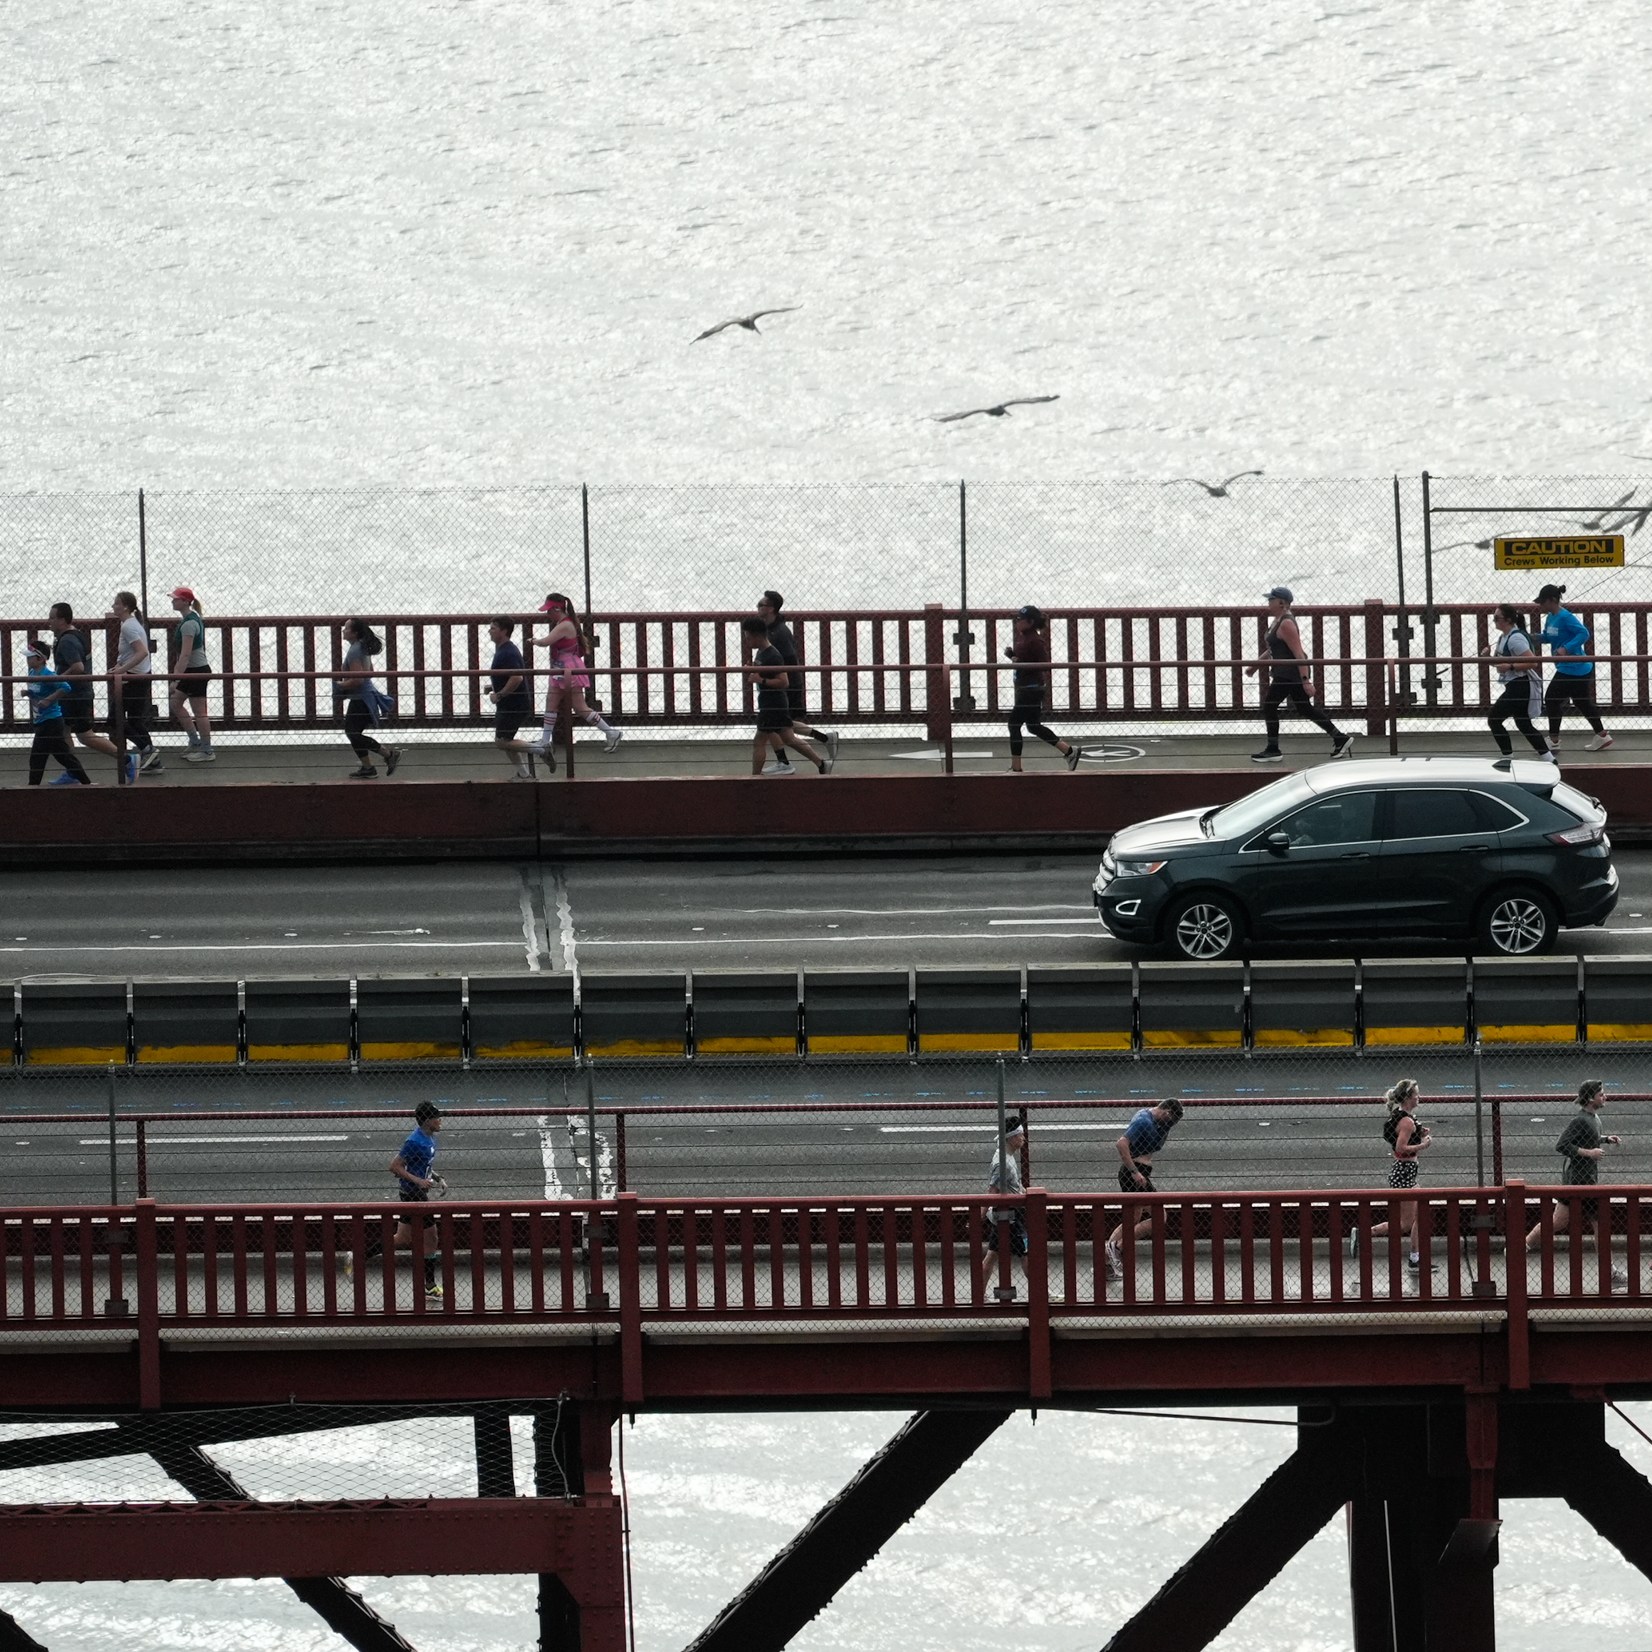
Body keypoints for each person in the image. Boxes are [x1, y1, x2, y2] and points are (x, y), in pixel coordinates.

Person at [1524, 1079, 1627, 1287]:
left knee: (1558, 1221)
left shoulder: (1594, 1118)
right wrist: (1589, 1153)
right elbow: (1561, 1145)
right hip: (1581, 1182)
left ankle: (1521, 1246)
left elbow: (1589, 1138)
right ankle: (1610, 1273)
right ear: (1590, 1098)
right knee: (1601, 1225)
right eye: (1601, 1094)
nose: (1605, 1097)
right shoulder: (1580, 1120)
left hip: (1581, 1180)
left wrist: (1606, 1139)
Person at [346, 1100, 448, 1297]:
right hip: (413, 1194)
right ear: (427, 1121)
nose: (440, 1120)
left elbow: (421, 1164)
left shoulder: (429, 1139)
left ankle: (357, 1258)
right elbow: (395, 1166)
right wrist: (418, 1181)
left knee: (402, 1238)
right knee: (432, 1236)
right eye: (437, 1117)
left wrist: (437, 1177)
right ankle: (430, 1285)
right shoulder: (414, 1141)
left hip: (414, 1192)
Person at [1244, 586, 1355, 764]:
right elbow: (1273, 648)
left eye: (1271, 599)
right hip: (1285, 672)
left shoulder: (1286, 623)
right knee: (1304, 708)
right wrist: (1255, 666)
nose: (1268, 602)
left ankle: (1273, 749)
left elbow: (1298, 653)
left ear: (1282, 603)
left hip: (1290, 673)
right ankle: (1340, 738)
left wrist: (1306, 681)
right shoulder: (1277, 621)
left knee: (1269, 706)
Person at [1355, 1078, 1434, 1273]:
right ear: (1408, 1098)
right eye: (1416, 1094)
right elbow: (1401, 1148)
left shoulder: (1402, 1116)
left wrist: (1419, 1134)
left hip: (1406, 1173)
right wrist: (1423, 1145)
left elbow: (1400, 1139)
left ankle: (1415, 1258)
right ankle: (1365, 1233)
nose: (1419, 1097)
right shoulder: (1407, 1121)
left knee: (1421, 1214)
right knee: (1405, 1224)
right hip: (1405, 1174)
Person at [757, 591, 838, 775]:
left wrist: (775, 680)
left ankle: (816, 753)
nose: (757, 608)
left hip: (785, 687)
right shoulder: (771, 629)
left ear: (770, 609)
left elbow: (789, 659)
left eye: (760, 605)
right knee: (780, 726)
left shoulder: (779, 633)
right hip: (776, 687)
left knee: (779, 727)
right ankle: (820, 743)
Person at [530, 593, 620, 760]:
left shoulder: (564, 625)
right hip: (562, 668)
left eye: (549, 610)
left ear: (557, 609)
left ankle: (611, 732)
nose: (547, 614)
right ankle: (544, 740)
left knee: (579, 707)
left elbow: (545, 642)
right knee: (552, 702)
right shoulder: (565, 622)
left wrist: (534, 641)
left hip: (567, 669)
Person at [1104, 1097, 1185, 1279]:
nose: (1171, 1125)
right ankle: (1116, 1248)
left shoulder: (1157, 1121)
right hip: (1135, 1174)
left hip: (1139, 1173)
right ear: (1166, 1112)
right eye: (1171, 1120)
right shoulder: (1143, 1121)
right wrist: (1134, 1172)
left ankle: (1106, 1263)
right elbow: (1121, 1143)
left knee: (1133, 1218)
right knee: (1159, 1216)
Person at [742, 614, 831, 774]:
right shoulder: (761, 653)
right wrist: (754, 668)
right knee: (789, 739)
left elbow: (784, 681)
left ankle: (754, 777)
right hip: (770, 703)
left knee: (759, 741)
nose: (747, 641)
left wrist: (760, 680)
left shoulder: (773, 655)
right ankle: (821, 763)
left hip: (773, 704)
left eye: (748, 638)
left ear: (757, 636)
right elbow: (766, 671)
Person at [1004, 605, 1081, 772]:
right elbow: (1021, 660)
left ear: (1030, 622)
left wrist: (1018, 662)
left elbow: (1044, 664)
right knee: (1033, 725)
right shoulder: (1023, 637)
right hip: (1025, 687)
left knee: (1013, 724)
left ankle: (1016, 767)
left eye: (1020, 619)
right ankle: (1069, 751)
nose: (1017, 622)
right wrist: (1013, 656)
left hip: (1031, 689)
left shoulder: (1035, 640)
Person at [1536, 583, 1611, 752]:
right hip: (1572, 668)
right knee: (1582, 702)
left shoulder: (1565, 616)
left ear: (1553, 600)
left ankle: (1554, 739)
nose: (1541, 606)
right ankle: (1602, 735)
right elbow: (1549, 636)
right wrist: (1535, 638)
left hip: (1574, 667)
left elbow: (1584, 633)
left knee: (1551, 699)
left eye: (1543, 602)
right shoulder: (1550, 617)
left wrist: (1566, 648)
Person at [334, 617, 402, 780]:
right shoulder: (361, 648)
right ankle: (368, 767)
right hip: (365, 696)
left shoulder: (355, 650)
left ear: (355, 633)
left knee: (352, 732)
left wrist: (339, 685)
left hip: (362, 699)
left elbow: (359, 679)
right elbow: (369, 672)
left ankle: (388, 754)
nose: (343, 631)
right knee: (353, 732)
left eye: (346, 628)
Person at [1483, 603, 1552, 762]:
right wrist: (1487, 658)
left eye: (1497, 618)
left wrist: (1511, 666)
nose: (1494, 621)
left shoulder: (1516, 639)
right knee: (1524, 724)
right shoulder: (1503, 638)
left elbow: (1533, 662)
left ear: (1507, 620)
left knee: (1494, 720)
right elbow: (1500, 664)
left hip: (1520, 685)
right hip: (1515, 685)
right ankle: (1549, 759)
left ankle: (1507, 756)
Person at [46, 602, 107, 774]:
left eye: (52, 618)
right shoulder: (78, 635)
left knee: (85, 735)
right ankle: (72, 771)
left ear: (62, 620)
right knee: (63, 730)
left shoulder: (67, 641)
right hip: (74, 693)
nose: (48, 621)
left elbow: (78, 667)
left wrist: (58, 679)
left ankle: (125, 759)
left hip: (77, 694)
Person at [19, 639, 91, 786]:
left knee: (38, 757)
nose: (27, 660)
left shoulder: (47, 674)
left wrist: (49, 700)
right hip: (41, 721)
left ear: (40, 659)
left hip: (51, 721)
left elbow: (65, 687)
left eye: (30, 657)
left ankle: (32, 788)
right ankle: (86, 783)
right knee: (62, 756)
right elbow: (39, 693)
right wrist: (29, 693)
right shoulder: (32, 673)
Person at [974, 1113, 1028, 1300]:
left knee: (992, 1255)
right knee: (1027, 1253)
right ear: (1012, 1137)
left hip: (1007, 1214)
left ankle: (978, 1295)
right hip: (1010, 1216)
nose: (1023, 1138)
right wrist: (980, 1215)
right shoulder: (1003, 1163)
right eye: (1020, 1135)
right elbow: (993, 1190)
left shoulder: (1007, 1157)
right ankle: (1041, 1292)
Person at [108, 591, 159, 783]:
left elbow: (142, 652)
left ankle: (147, 750)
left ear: (126, 607)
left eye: (116, 604)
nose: (113, 606)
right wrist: (119, 667)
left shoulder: (129, 626)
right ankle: (154, 761)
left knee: (114, 720)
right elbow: (132, 654)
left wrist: (122, 671)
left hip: (134, 679)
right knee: (136, 721)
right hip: (140, 677)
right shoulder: (130, 624)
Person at [165, 586, 216, 763]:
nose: (173, 601)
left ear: (185, 602)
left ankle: (207, 750)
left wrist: (175, 678)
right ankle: (195, 741)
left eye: (176, 599)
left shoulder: (189, 624)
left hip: (197, 671)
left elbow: (185, 655)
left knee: (200, 712)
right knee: (175, 703)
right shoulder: (191, 619)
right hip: (191, 671)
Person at [487, 618, 537, 779]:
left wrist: (499, 694)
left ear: (504, 631)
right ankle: (523, 774)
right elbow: (508, 676)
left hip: (514, 705)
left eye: (493, 628)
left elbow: (517, 677)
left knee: (502, 741)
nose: (490, 631)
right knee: (506, 740)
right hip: (509, 704)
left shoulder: (508, 652)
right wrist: (494, 687)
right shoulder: (503, 650)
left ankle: (541, 749)